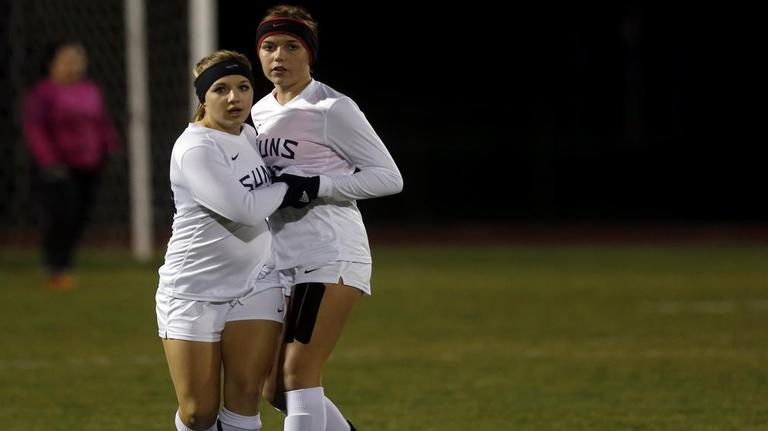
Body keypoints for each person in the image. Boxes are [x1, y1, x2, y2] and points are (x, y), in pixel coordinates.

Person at [251, 5, 404, 431]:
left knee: (298, 375)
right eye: (269, 46)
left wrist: (319, 186)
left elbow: (389, 178)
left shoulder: (332, 107)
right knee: (273, 388)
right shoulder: (258, 111)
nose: (278, 55)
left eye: (290, 46)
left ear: (309, 54)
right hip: (281, 259)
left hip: (329, 255)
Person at [156, 50, 290, 431]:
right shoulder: (196, 147)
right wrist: (288, 186)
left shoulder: (249, 135)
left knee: (246, 398)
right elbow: (244, 209)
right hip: (194, 289)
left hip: (256, 283)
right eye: (221, 89)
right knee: (199, 413)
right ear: (203, 97)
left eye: (243, 87)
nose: (235, 98)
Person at [22, 40, 119, 290]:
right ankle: (56, 267)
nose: (73, 65)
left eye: (78, 59)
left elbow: (101, 122)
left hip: (89, 164)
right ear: (52, 64)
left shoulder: (90, 91)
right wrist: (48, 161)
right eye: (67, 59)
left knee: (80, 216)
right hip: (57, 167)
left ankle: (65, 264)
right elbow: (36, 128)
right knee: (60, 215)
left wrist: (110, 146)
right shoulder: (44, 93)